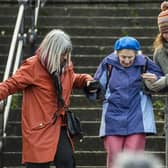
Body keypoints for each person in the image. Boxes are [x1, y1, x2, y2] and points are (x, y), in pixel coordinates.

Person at [0, 29, 99, 168]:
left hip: (60, 125)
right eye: (63, 53)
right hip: (38, 128)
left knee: (67, 162)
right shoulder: (32, 66)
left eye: (67, 53)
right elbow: (11, 84)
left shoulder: (66, 65)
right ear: (52, 50)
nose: (65, 57)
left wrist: (86, 80)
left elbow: (72, 79)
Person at [93, 36, 163, 168]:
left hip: (137, 116)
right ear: (116, 53)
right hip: (112, 116)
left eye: (130, 57)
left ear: (136, 54)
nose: (126, 60)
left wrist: (155, 78)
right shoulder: (108, 63)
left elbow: (160, 78)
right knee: (114, 157)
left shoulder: (144, 63)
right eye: (123, 57)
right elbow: (97, 85)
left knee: (133, 159)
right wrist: (91, 89)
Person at [145, 1, 168, 91]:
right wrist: (154, 79)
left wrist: (165, 80)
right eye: (165, 32)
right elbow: (158, 78)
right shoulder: (159, 52)